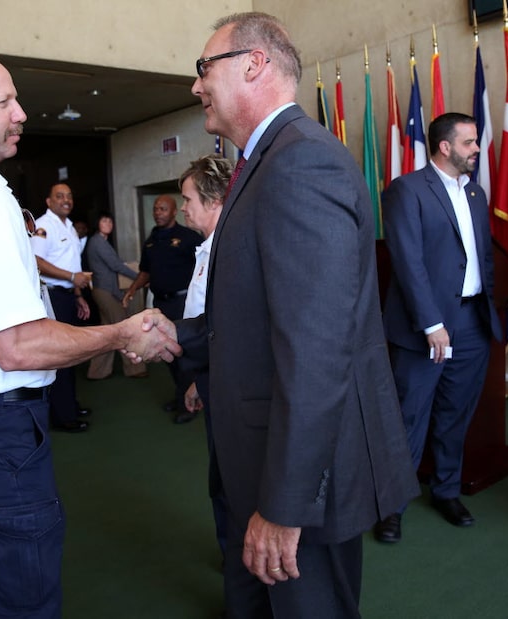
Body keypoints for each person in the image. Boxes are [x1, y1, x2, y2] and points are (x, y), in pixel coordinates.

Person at [0, 50, 180, 618]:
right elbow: (17, 346)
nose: (21, 112)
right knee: (20, 596)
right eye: (3, 102)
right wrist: (119, 334)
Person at [175, 13, 417, 618]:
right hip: (257, 460)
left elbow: (316, 352)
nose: (197, 85)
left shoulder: (300, 163)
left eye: (205, 68)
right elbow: (252, 317)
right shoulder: (264, 163)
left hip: (300, 481)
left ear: (252, 64)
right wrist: (176, 339)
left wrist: (286, 507)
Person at [376, 113, 502, 542]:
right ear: (444, 147)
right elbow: (407, 262)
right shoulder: (406, 190)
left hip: (471, 323)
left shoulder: (475, 194)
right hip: (423, 327)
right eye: (469, 142)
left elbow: (482, 257)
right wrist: (431, 322)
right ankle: (392, 505)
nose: (477, 149)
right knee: (409, 417)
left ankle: (446, 490)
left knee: (454, 414)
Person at [178, 154, 234, 557]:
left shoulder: (227, 250)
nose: (183, 208)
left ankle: (240, 571)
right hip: (212, 377)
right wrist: (199, 378)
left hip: (231, 387)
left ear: (213, 201)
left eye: (187, 199)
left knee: (230, 483)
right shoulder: (206, 247)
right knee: (221, 479)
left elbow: (220, 326)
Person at [122, 194, 203, 419]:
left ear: (174, 211)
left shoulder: (189, 237)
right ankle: (181, 394)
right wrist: (132, 290)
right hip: (160, 303)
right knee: (166, 351)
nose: (158, 212)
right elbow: (145, 271)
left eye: (163, 209)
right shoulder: (152, 239)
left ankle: (187, 405)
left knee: (183, 353)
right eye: (156, 209)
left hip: (181, 303)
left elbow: (205, 266)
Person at [31, 182, 94, 432]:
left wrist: (78, 294)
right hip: (54, 297)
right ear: (49, 202)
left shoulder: (68, 225)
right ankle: (63, 416)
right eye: (59, 196)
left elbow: (72, 262)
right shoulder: (44, 226)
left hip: (68, 296)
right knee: (61, 356)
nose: (66, 200)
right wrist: (70, 278)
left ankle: (70, 405)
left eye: (69, 196)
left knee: (71, 354)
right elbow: (36, 261)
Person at [85, 211, 149, 380]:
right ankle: (135, 369)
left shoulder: (102, 242)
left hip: (106, 291)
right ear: (97, 223)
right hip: (104, 292)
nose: (108, 224)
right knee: (124, 329)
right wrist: (140, 278)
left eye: (110, 221)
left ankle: (98, 372)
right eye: (104, 220)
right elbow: (116, 266)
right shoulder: (97, 242)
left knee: (107, 333)